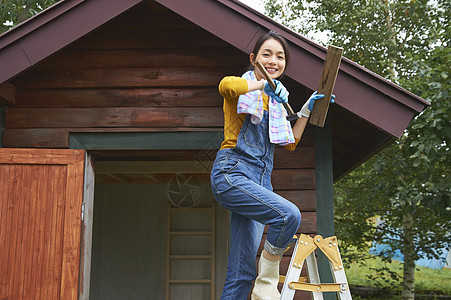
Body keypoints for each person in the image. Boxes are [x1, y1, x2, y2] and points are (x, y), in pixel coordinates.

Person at [210, 31, 334, 300]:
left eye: (280, 57)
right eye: (266, 54)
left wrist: (305, 111)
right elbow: (225, 86)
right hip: (232, 173)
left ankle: (259, 282)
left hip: (259, 183)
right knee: (289, 215)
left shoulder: (277, 105)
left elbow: (290, 142)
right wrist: (261, 87)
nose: (273, 61)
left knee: (242, 272)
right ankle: (267, 283)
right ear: (253, 59)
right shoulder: (243, 89)